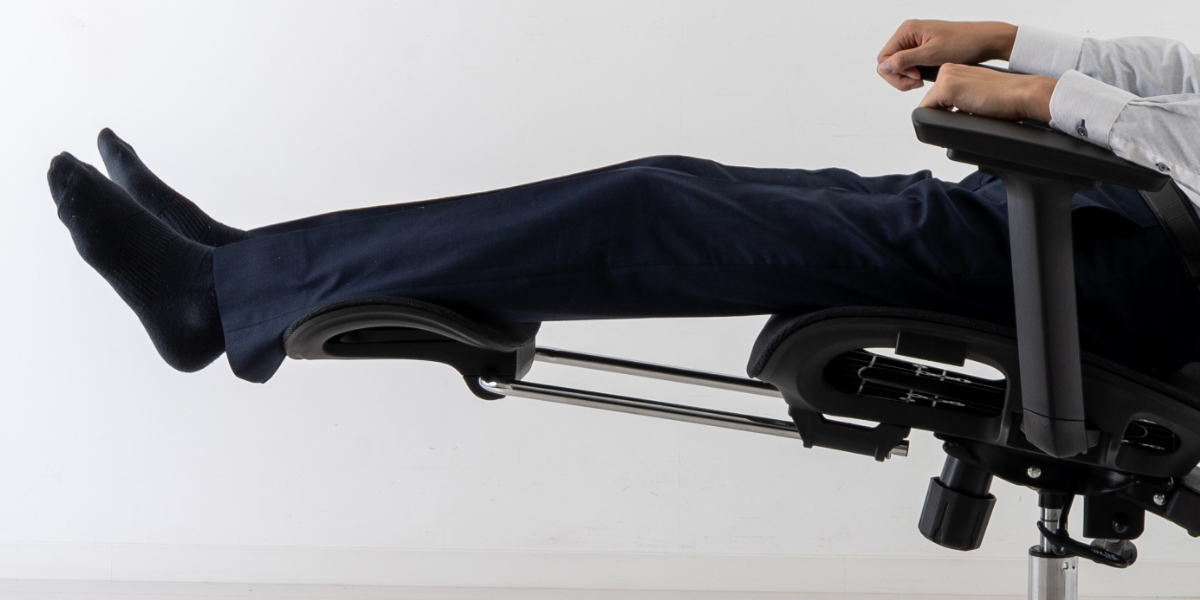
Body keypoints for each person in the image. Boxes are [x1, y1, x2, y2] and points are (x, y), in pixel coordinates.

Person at [47, 19, 1200, 384]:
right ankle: (249, 270)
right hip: (1098, 211)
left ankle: (222, 296)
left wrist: (1047, 98)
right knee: (673, 187)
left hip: (1140, 261)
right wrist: (1014, 44)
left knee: (653, 210)